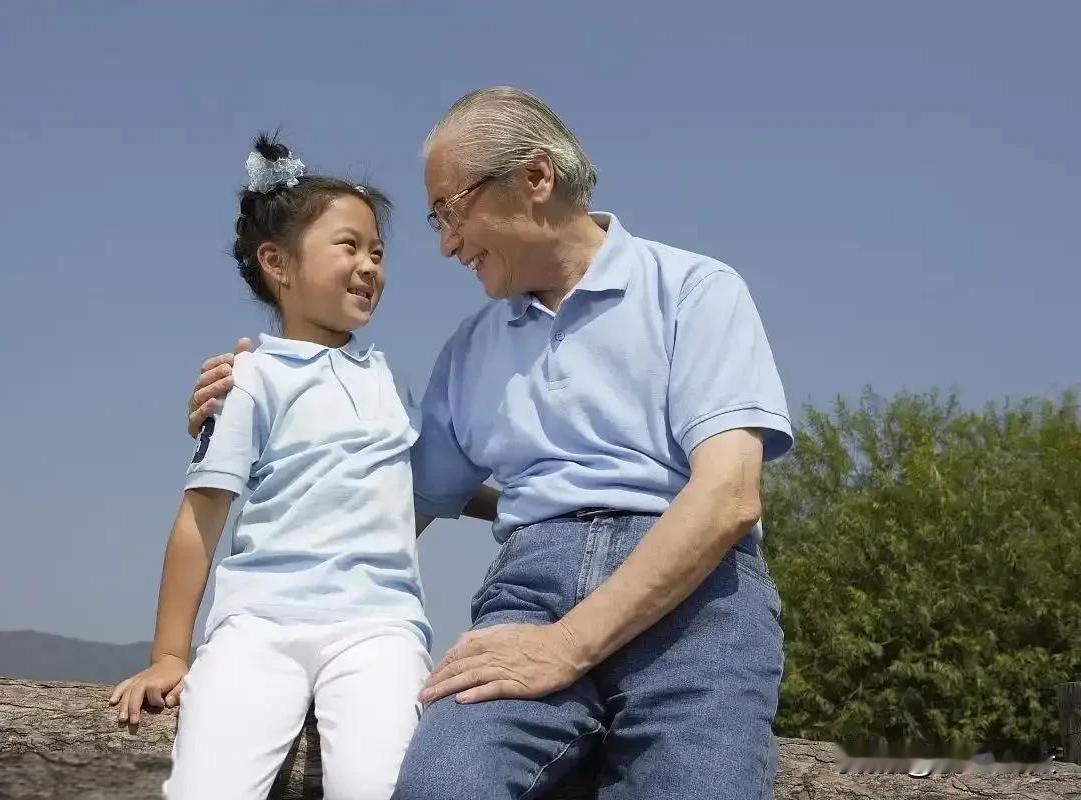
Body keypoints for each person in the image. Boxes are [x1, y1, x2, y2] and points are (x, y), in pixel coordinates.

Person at [188, 88, 794, 800]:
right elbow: (379, 498)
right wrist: (252, 412)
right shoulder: (470, 352)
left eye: (451, 210)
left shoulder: (695, 290)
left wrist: (566, 646)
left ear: (535, 179)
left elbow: (725, 497)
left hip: (695, 600)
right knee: (441, 783)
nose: (444, 243)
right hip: (529, 592)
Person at [110, 133, 454, 800]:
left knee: (379, 785)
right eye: (349, 246)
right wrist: (169, 655)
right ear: (278, 262)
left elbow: (428, 490)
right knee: (208, 787)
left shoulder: (390, 382)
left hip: (378, 627)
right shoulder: (247, 380)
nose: (370, 265)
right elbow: (199, 519)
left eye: (378, 252)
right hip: (257, 625)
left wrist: (521, 502)